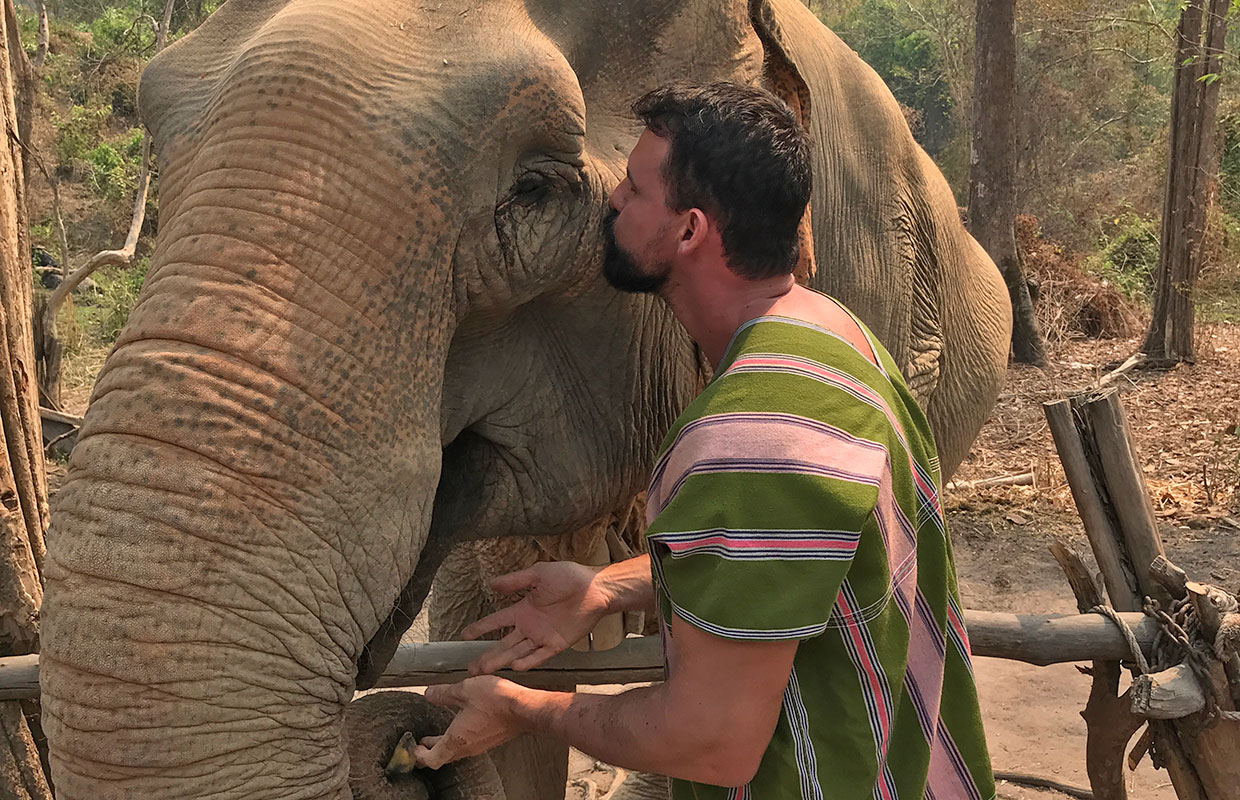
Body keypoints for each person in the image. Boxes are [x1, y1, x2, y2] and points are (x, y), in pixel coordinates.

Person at [412, 82, 996, 800]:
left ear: (689, 231)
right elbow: (795, 561)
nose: (615, 202)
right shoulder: (836, 341)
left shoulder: (751, 437)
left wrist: (523, 710)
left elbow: (710, 741)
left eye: (632, 187)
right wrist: (605, 588)